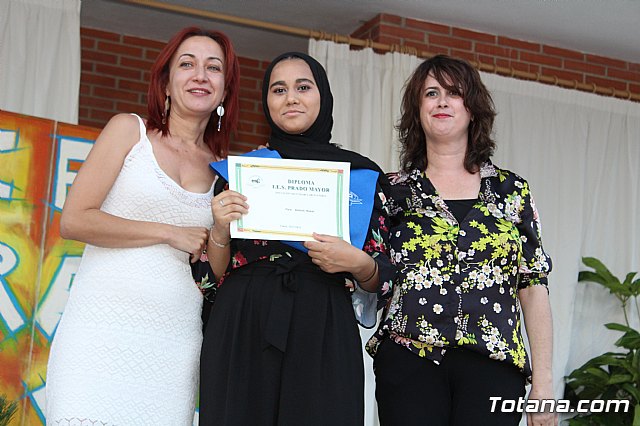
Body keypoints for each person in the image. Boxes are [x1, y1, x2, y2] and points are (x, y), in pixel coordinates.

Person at [45, 27, 240, 425]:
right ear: (165, 83)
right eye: (187, 64)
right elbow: (75, 219)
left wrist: (219, 234)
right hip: (98, 332)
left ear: (224, 91)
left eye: (213, 68)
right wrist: (168, 232)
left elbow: (215, 273)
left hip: (174, 342)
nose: (200, 75)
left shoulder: (225, 169)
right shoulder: (128, 131)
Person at [198, 52, 394, 425]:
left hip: (323, 322)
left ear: (323, 96)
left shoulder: (360, 175)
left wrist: (357, 263)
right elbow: (210, 278)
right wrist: (220, 230)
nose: (291, 98)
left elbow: (382, 277)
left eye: (303, 87)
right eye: (278, 89)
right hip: (243, 320)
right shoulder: (242, 172)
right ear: (266, 102)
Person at [366, 55, 556, 426]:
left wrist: (543, 384)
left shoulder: (512, 191)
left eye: (454, 93)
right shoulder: (391, 191)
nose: (442, 101)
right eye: (431, 93)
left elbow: (533, 287)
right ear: (417, 110)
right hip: (409, 362)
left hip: (494, 366)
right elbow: (372, 274)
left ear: (473, 109)